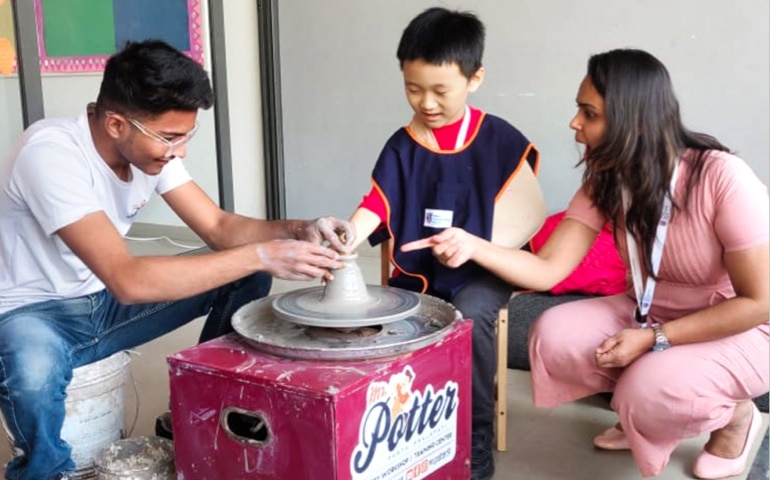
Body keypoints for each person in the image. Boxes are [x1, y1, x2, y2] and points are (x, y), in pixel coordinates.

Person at [402, 48, 769, 478]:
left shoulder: (722, 177)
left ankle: (734, 418)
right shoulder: (608, 181)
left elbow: (760, 302)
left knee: (651, 392)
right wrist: (472, 246)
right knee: (554, 335)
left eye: (588, 113)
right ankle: (643, 409)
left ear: (634, 121)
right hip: (650, 311)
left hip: (739, 326)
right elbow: (547, 270)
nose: (575, 124)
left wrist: (656, 338)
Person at [0, 40, 354, 480]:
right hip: (32, 315)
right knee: (33, 372)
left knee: (242, 275)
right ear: (115, 124)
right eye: (170, 138)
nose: (179, 151)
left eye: (186, 136)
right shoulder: (50, 154)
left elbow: (220, 228)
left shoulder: (149, 150)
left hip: (104, 306)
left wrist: (299, 229)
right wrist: (261, 253)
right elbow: (127, 279)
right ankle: (43, 471)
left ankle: (201, 409)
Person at [345, 7, 546, 480]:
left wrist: (476, 246)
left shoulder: (499, 139)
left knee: (471, 318)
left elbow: (524, 214)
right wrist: (344, 237)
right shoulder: (402, 144)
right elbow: (376, 203)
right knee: (396, 320)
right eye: (413, 89)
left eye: (440, 91)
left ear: (475, 78)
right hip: (421, 272)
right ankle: (404, 426)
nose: (426, 103)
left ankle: (473, 435)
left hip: (483, 270)